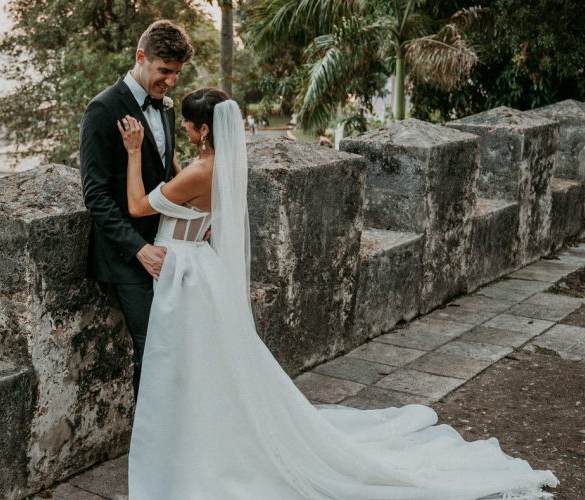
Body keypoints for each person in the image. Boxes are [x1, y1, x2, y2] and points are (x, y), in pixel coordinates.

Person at [116, 87, 559, 499]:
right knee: (209, 366)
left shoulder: (200, 170)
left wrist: (135, 153)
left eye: (190, 126)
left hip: (184, 272)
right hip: (200, 265)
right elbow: (186, 197)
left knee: (183, 363)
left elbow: (138, 205)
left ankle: (195, 445)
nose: (187, 131)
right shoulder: (221, 168)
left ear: (204, 130)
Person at [79, 20, 193, 399]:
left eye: (177, 74)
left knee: (176, 342)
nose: (171, 82)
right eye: (164, 71)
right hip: (126, 255)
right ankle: (151, 443)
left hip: (167, 244)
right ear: (141, 57)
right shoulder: (102, 108)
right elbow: (95, 196)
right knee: (154, 348)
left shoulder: (166, 107)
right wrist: (139, 249)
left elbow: (165, 168)